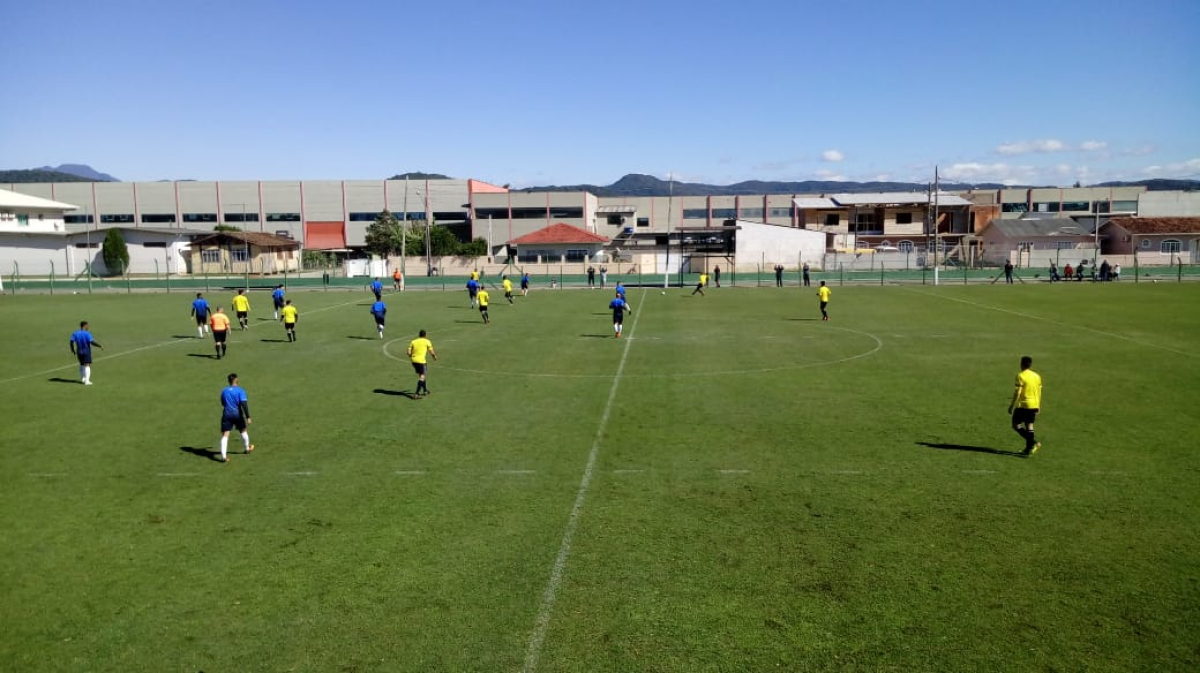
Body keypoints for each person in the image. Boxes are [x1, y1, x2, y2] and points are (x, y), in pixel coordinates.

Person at [1007, 355, 1043, 456]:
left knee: (1016, 425)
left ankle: (1034, 443)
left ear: (1021, 364)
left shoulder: (1020, 376)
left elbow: (1018, 392)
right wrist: (1038, 405)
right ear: (1030, 364)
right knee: (1029, 426)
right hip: (1034, 404)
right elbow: (1039, 391)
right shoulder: (1037, 376)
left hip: (1023, 405)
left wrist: (1011, 405)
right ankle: (1028, 449)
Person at [218, 372, 254, 463]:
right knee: (243, 431)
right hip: (237, 414)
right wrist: (248, 417)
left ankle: (223, 456)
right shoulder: (240, 391)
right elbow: (243, 404)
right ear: (236, 380)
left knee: (225, 435)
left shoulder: (224, 390)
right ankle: (247, 448)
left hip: (227, 414)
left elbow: (222, 403)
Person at [69, 320, 103, 385]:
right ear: (84, 326)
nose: (88, 327)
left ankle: (82, 379)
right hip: (86, 351)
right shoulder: (87, 333)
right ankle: (87, 381)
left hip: (79, 352)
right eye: (87, 325)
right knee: (87, 365)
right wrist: (99, 346)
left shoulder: (75, 333)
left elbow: (71, 342)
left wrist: (72, 349)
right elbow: (91, 342)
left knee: (81, 365)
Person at [407, 329, 438, 398]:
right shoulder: (427, 341)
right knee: (422, 376)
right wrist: (434, 357)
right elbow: (431, 351)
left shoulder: (413, 341)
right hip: (421, 361)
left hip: (413, 360)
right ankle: (416, 393)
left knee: (421, 375)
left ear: (419, 335)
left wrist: (410, 355)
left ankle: (425, 391)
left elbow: (408, 352)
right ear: (425, 335)